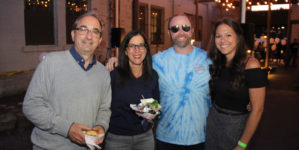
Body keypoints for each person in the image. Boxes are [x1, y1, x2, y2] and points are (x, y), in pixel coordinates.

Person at [106, 14, 211, 150]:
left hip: (200, 137)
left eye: (185, 27)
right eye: (175, 28)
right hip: (166, 137)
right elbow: (137, 60)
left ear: (192, 30)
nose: (181, 32)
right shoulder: (158, 61)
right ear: (169, 33)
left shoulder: (208, 59)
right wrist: (116, 60)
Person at [22, 12, 112, 149]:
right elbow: (31, 106)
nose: (89, 36)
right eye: (83, 29)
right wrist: (67, 128)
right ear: (73, 35)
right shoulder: (51, 63)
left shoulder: (103, 73)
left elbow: (104, 109)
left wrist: (101, 126)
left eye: (95, 31)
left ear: (99, 40)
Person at [205, 18, 266, 150]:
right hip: (213, 119)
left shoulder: (251, 64)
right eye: (218, 36)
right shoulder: (217, 62)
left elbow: (258, 110)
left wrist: (242, 144)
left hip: (236, 124)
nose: (223, 40)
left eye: (228, 35)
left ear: (238, 37)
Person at [104, 30, 160, 150]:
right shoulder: (114, 75)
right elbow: (103, 106)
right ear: (125, 50)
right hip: (117, 139)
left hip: (145, 138)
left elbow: (156, 104)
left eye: (141, 45)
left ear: (146, 49)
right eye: (132, 46)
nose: (137, 50)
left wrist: (152, 112)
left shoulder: (153, 76)